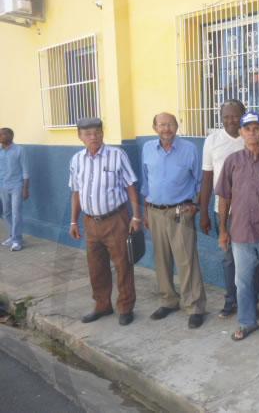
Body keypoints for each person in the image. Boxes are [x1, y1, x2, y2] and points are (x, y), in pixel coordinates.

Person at [215, 112, 259, 343]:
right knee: (241, 282)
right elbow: (224, 198)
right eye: (247, 128)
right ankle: (247, 322)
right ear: (241, 133)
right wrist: (223, 230)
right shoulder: (232, 161)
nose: (252, 132)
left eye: (256, 128)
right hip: (240, 233)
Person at [199, 100, 259, 318]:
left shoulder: (257, 137)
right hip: (225, 212)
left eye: (235, 116)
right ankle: (231, 300)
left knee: (253, 259)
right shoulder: (212, 141)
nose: (230, 120)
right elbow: (207, 177)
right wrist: (203, 212)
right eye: (226, 116)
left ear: (242, 116)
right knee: (230, 260)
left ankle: (252, 302)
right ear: (221, 117)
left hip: (254, 212)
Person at [68, 118, 141, 326]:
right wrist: (74, 221)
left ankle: (125, 307)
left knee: (123, 264)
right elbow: (76, 192)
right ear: (80, 136)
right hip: (90, 222)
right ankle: (102, 305)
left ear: (102, 133)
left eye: (97, 132)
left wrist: (136, 216)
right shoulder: (76, 160)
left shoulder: (117, 155)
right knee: (96, 266)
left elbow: (130, 186)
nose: (94, 137)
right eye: (88, 133)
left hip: (116, 219)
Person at [141, 112, 207, 329]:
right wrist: (145, 209)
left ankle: (194, 306)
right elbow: (145, 181)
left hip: (181, 211)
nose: (166, 128)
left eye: (170, 124)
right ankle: (168, 301)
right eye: (161, 125)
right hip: (155, 211)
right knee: (161, 259)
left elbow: (199, 180)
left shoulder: (189, 149)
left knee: (187, 260)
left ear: (176, 126)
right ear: (155, 127)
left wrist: (195, 205)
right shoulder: (147, 149)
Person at [0, 128, 29, 251]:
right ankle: (13, 235)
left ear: (10, 136)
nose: (0, 136)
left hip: (17, 185)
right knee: (6, 212)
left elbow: (25, 170)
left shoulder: (19, 150)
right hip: (3, 185)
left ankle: (17, 240)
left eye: (2, 134)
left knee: (16, 213)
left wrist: (25, 189)